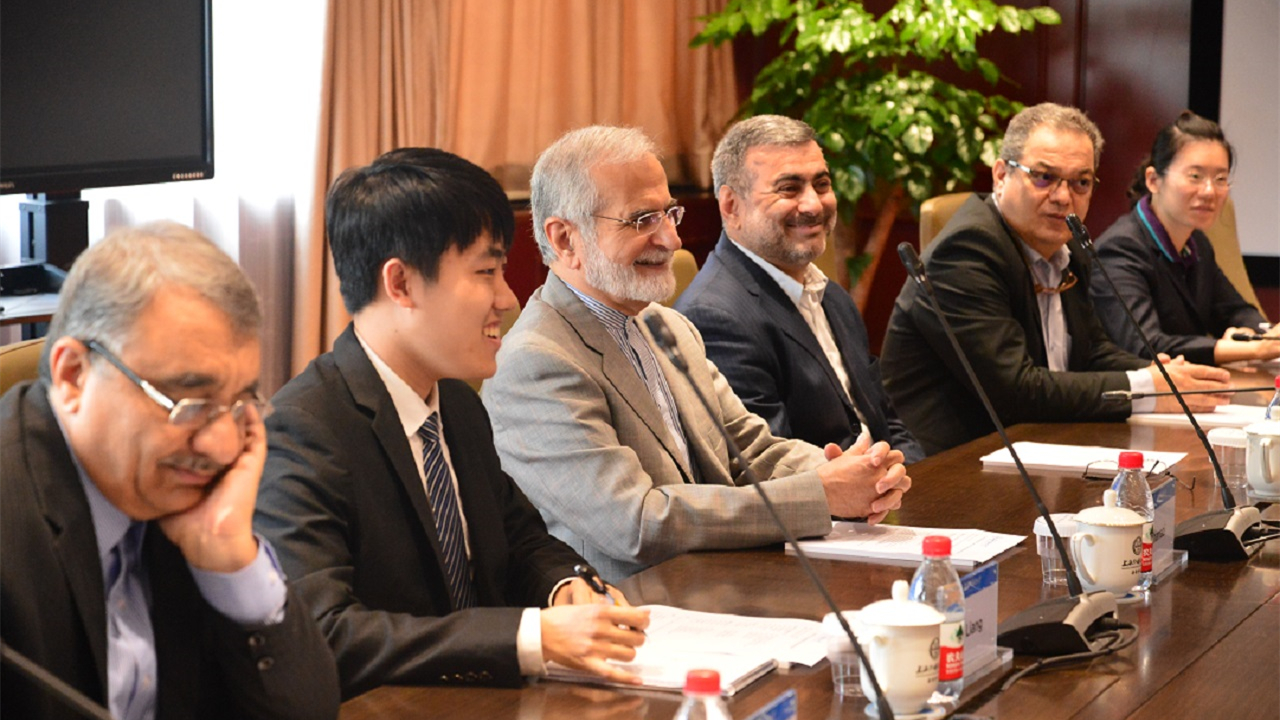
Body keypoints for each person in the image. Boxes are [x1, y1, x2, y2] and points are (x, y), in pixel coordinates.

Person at [254, 147, 649, 700]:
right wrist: (529, 635)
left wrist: (564, 588)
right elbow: (324, 632)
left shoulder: (458, 405)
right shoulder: (303, 430)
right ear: (401, 284)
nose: (508, 298)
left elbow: (520, 539)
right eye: (485, 272)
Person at [482, 126, 911, 583]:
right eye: (642, 220)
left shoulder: (667, 326)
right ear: (565, 239)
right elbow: (636, 522)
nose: (672, 240)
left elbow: (749, 450)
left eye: (670, 214)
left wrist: (857, 473)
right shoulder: (536, 362)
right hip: (634, 604)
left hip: (724, 582)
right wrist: (821, 494)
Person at [1, 222, 340, 720]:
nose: (222, 445)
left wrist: (230, 559)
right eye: (189, 403)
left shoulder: (190, 503)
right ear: (73, 376)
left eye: (239, 404)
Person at [880, 103, 1232, 455]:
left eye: (1081, 182)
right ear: (1001, 176)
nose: (1064, 198)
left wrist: (1161, 373)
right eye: (1044, 177)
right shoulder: (966, 251)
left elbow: (1092, 351)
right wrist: (1146, 386)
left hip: (1040, 444)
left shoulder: (1070, 246)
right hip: (953, 462)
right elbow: (1016, 391)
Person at [675, 115, 925, 462]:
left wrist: (911, 475)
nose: (813, 204)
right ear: (731, 206)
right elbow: (772, 466)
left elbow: (886, 422)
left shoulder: (831, 295)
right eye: (789, 189)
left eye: (822, 184)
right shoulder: (714, 318)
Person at [1090, 110, 1279, 365]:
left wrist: (1265, 335)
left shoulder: (1197, 243)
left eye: (1220, 179)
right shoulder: (1120, 249)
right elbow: (1146, 346)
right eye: (1195, 177)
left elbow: (1234, 311)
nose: (1209, 191)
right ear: (1154, 180)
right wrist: (1253, 350)